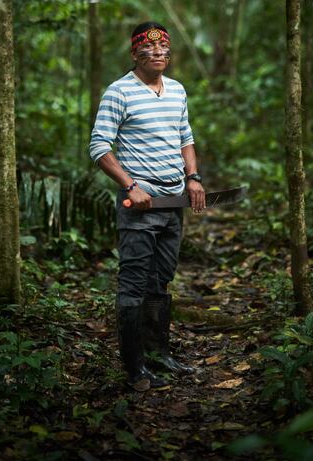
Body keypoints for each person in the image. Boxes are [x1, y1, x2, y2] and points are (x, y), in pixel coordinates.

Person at [89, 21, 205, 391]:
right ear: (135, 53)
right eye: (149, 50)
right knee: (134, 285)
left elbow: (185, 137)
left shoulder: (177, 90)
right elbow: (99, 147)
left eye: (163, 51)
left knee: (161, 282)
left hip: (173, 204)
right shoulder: (118, 92)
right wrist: (131, 185)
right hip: (140, 207)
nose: (157, 55)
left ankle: (160, 354)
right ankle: (134, 367)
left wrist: (194, 177)